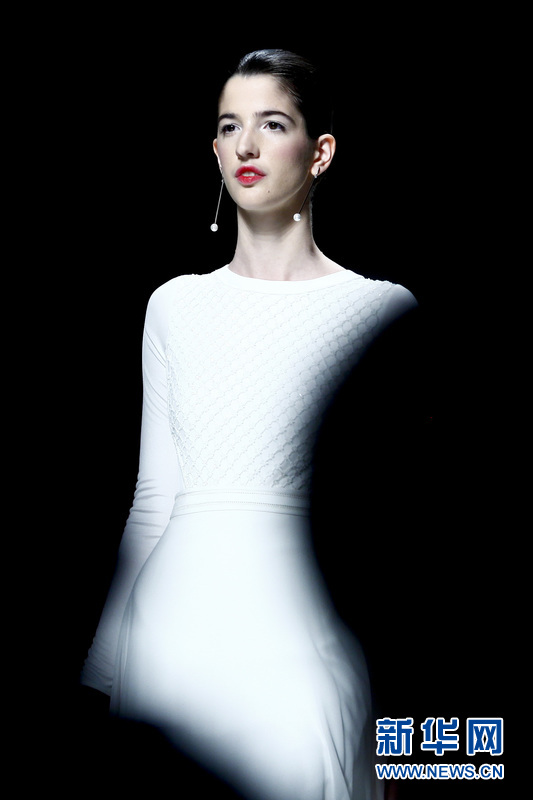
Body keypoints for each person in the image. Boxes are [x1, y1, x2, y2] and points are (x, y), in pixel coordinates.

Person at [80, 49, 417, 800]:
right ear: (214, 150)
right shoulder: (173, 306)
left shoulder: (382, 310)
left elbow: (399, 535)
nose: (247, 144)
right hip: (167, 644)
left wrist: (409, 735)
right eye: (230, 126)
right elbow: (152, 500)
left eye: (273, 123)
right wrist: (101, 678)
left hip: (307, 646)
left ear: (320, 151)